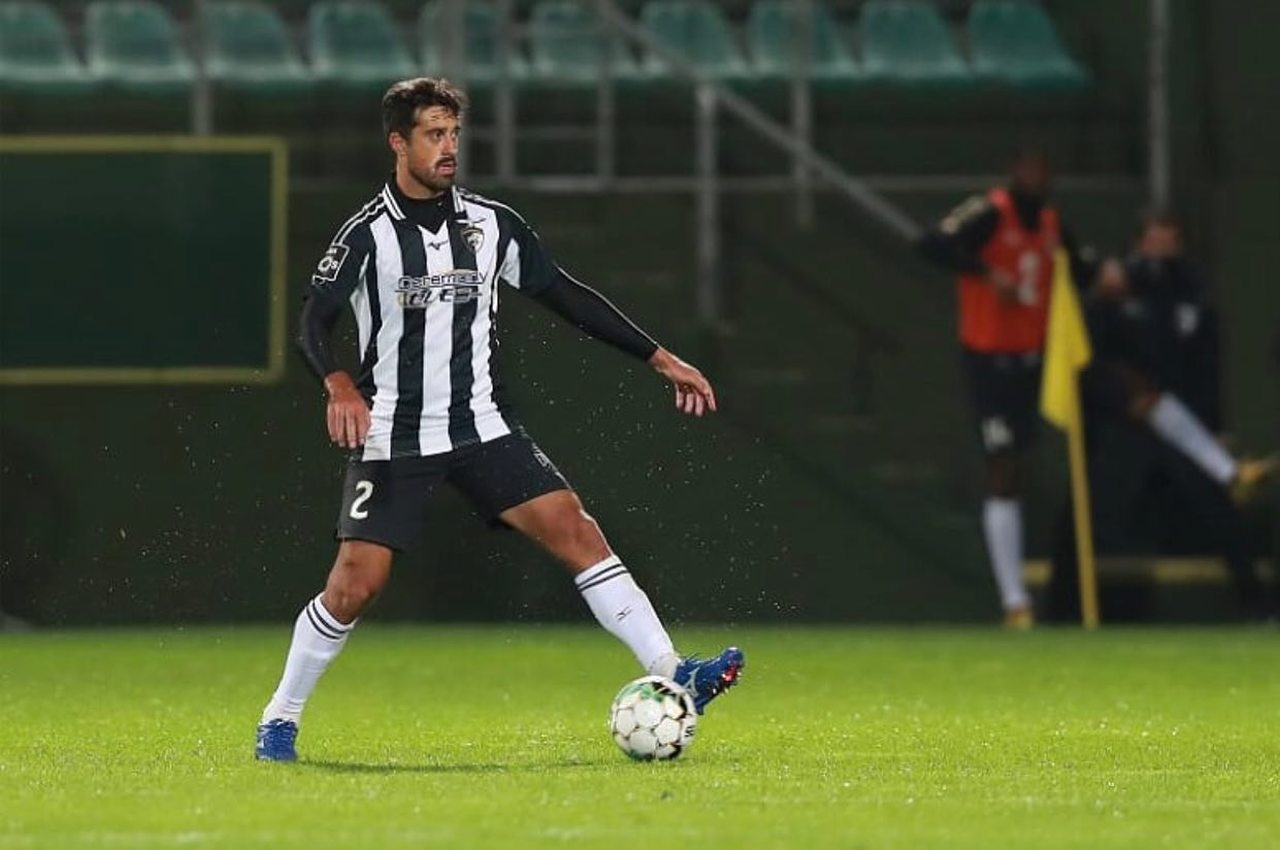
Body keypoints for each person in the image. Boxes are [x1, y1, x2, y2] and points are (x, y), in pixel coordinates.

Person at [255, 78, 744, 762]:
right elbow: (312, 319)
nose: (448, 147)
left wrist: (657, 356)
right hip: (395, 432)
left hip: (483, 426)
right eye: (433, 134)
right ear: (398, 143)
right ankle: (280, 717)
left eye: (454, 133)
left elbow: (565, 295)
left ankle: (672, 668)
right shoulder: (367, 235)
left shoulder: (491, 224)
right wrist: (338, 384)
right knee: (354, 586)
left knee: (576, 529)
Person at [1048, 212, 1276, 621]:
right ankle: (1059, 608)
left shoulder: (1191, 293)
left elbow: (1203, 368)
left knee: (1220, 509)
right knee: (1085, 511)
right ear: (1137, 244)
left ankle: (1255, 602)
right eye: (1154, 244)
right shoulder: (1108, 293)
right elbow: (1090, 361)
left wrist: (1216, 426)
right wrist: (1121, 399)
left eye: (1170, 245)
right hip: (1120, 425)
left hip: (1178, 426)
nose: (1161, 255)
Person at [917, 149, 1090, 629]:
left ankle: (1021, 599)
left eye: (1044, 169)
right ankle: (1014, 600)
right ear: (1013, 173)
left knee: (1019, 467)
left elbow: (1082, 269)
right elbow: (932, 243)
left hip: (1033, 360)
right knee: (1002, 463)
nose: (1037, 177)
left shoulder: (1051, 223)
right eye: (1029, 169)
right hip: (988, 359)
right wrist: (986, 272)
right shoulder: (990, 212)